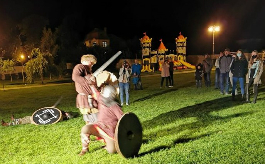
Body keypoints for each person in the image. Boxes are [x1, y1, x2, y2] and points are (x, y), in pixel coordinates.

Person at [78, 85, 124, 156]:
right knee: (85, 129)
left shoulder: (115, 106)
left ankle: (109, 144)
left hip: (110, 132)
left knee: (112, 150)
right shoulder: (101, 99)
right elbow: (96, 93)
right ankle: (85, 149)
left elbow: (123, 119)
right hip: (99, 127)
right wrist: (92, 85)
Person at [72, 54, 99, 125]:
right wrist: (89, 82)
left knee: (94, 117)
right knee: (92, 118)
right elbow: (75, 77)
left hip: (90, 97)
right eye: (92, 63)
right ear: (89, 61)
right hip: (84, 97)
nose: (92, 65)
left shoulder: (87, 70)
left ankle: (90, 132)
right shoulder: (80, 66)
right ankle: (87, 133)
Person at [1, 111, 78, 126]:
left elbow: (50, 120)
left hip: (37, 120)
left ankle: (7, 124)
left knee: (23, 120)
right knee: (25, 118)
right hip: (37, 117)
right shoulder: (60, 113)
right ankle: (14, 120)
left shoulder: (60, 118)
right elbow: (50, 111)